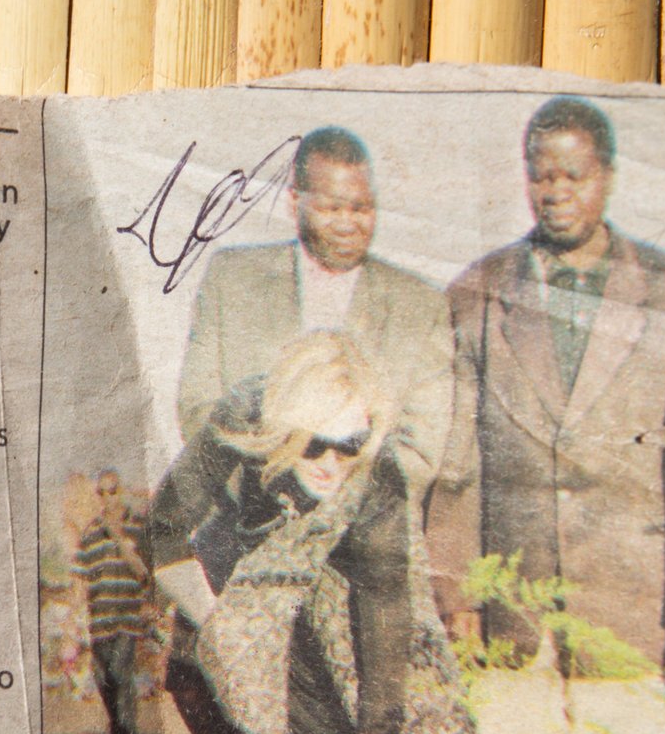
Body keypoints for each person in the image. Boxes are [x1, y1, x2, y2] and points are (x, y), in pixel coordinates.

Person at [151, 332, 485, 734]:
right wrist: (226, 631)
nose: (333, 462)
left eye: (350, 445)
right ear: (283, 430)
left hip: (341, 576)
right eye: (316, 444)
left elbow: (385, 674)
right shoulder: (241, 419)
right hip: (240, 571)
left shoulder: (376, 486)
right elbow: (166, 531)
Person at [427, 95, 665, 683]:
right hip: (510, 623)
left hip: (632, 624)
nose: (555, 192)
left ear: (608, 177)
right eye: (541, 175)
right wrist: (459, 598)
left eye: (573, 175)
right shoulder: (477, 292)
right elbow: (456, 464)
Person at [175, 126, 456, 492]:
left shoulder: (423, 305)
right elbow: (199, 410)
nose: (347, 224)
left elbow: (423, 448)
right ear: (295, 203)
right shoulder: (232, 279)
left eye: (361, 208)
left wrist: (334, 502)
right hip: (245, 519)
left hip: (358, 534)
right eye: (331, 208)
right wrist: (263, 494)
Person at [70, 470, 150, 734]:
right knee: (105, 682)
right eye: (101, 493)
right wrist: (70, 622)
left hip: (127, 619)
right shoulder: (90, 533)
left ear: (122, 490)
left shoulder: (138, 527)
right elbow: (80, 579)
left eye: (112, 490)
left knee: (120, 674)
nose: (107, 497)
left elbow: (143, 572)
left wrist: (117, 535)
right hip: (99, 622)